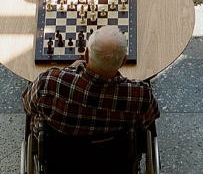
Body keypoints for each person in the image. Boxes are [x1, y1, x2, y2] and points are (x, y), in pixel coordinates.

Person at [22, 26, 160, 135]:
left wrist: (69, 70)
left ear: (86, 54)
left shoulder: (49, 82)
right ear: (124, 61)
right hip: (117, 160)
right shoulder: (140, 96)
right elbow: (148, 121)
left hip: (58, 158)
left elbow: (27, 106)